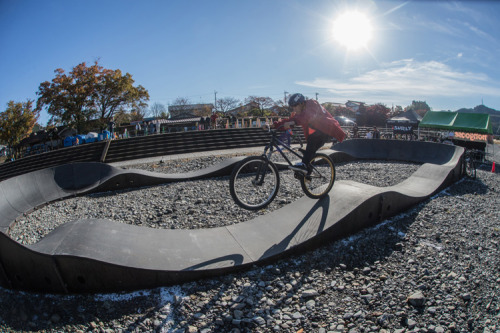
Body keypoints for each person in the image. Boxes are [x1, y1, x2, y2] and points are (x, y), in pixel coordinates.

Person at [272, 93, 346, 174]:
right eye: (292, 107)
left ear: (302, 103)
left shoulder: (312, 103)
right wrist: (273, 125)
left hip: (326, 130)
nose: (294, 109)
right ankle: (307, 175)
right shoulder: (299, 114)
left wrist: (294, 122)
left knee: (312, 141)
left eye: (295, 106)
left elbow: (309, 116)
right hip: (317, 133)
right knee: (309, 153)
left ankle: (304, 166)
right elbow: (290, 120)